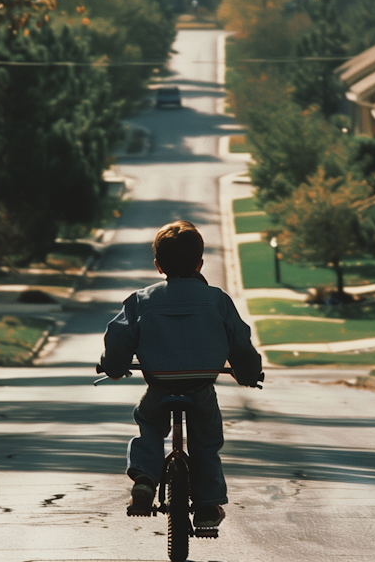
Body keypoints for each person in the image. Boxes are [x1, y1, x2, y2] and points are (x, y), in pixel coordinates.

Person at [98, 220, 262, 528]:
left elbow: (119, 340)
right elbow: (240, 343)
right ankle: (208, 505)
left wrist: (115, 366)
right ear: (200, 263)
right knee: (207, 442)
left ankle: (145, 480)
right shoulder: (218, 300)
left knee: (148, 423)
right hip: (201, 386)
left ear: (159, 265)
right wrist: (248, 372)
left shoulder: (141, 301)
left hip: (160, 384)